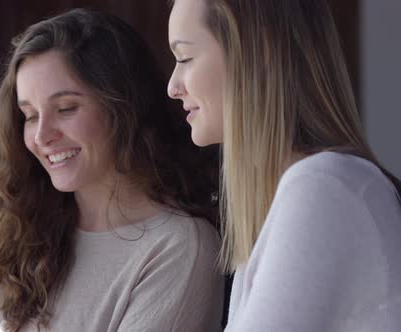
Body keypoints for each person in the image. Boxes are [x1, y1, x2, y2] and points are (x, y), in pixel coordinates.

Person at [0, 8, 225, 332]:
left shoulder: (179, 247)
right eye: (30, 115)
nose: (42, 136)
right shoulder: (25, 231)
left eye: (66, 108)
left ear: (125, 106)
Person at [167, 0, 401, 331]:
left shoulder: (323, 187)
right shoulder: (287, 198)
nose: (173, 87)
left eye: (185, 58)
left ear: (258, 50)